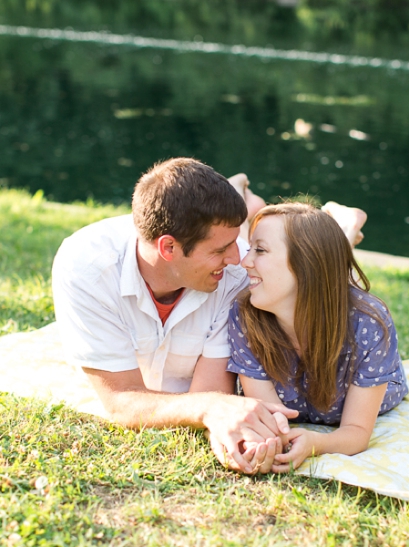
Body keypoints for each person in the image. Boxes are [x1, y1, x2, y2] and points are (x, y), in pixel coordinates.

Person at [52, 158, 297, 474]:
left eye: (235, 244)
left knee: (306, 263)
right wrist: (213, 409)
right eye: (221, 249)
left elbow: (210, 394)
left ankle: (261, 206)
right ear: (168, 247)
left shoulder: (235, 275)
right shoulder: (87, 268)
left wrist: (223, 424)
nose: (238, 259)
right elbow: (121, 401)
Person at [227, 203, 409, 473]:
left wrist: (318, 443)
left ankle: (347, 227)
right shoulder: (245, 315)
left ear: (304, 264)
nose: (245, 261)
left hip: (366, 370)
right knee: (323, 281)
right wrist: (266, 442)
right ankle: (342, 229)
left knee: (330, 287)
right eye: (250, 248)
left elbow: (356, 432)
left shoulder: (369, 324)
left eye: (260, 250)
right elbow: (273, 421)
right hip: (315, 282)